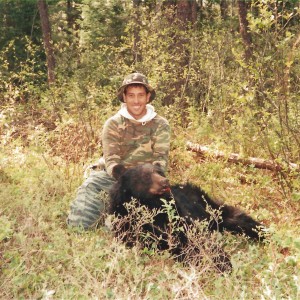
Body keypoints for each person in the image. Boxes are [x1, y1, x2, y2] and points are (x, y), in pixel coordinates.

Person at [67, 72, 170, 229]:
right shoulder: (113, 124)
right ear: (124, 97)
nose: (136, 101)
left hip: (146, 182)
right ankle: (100, 212)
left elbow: (160, 160)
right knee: (79, 223)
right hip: (112, 178)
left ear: (148, 97)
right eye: (131, 95)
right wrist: (129, 184)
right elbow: (112, 162)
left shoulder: (160, 124)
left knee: (160, 221)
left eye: (141, 95)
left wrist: (144, 184)